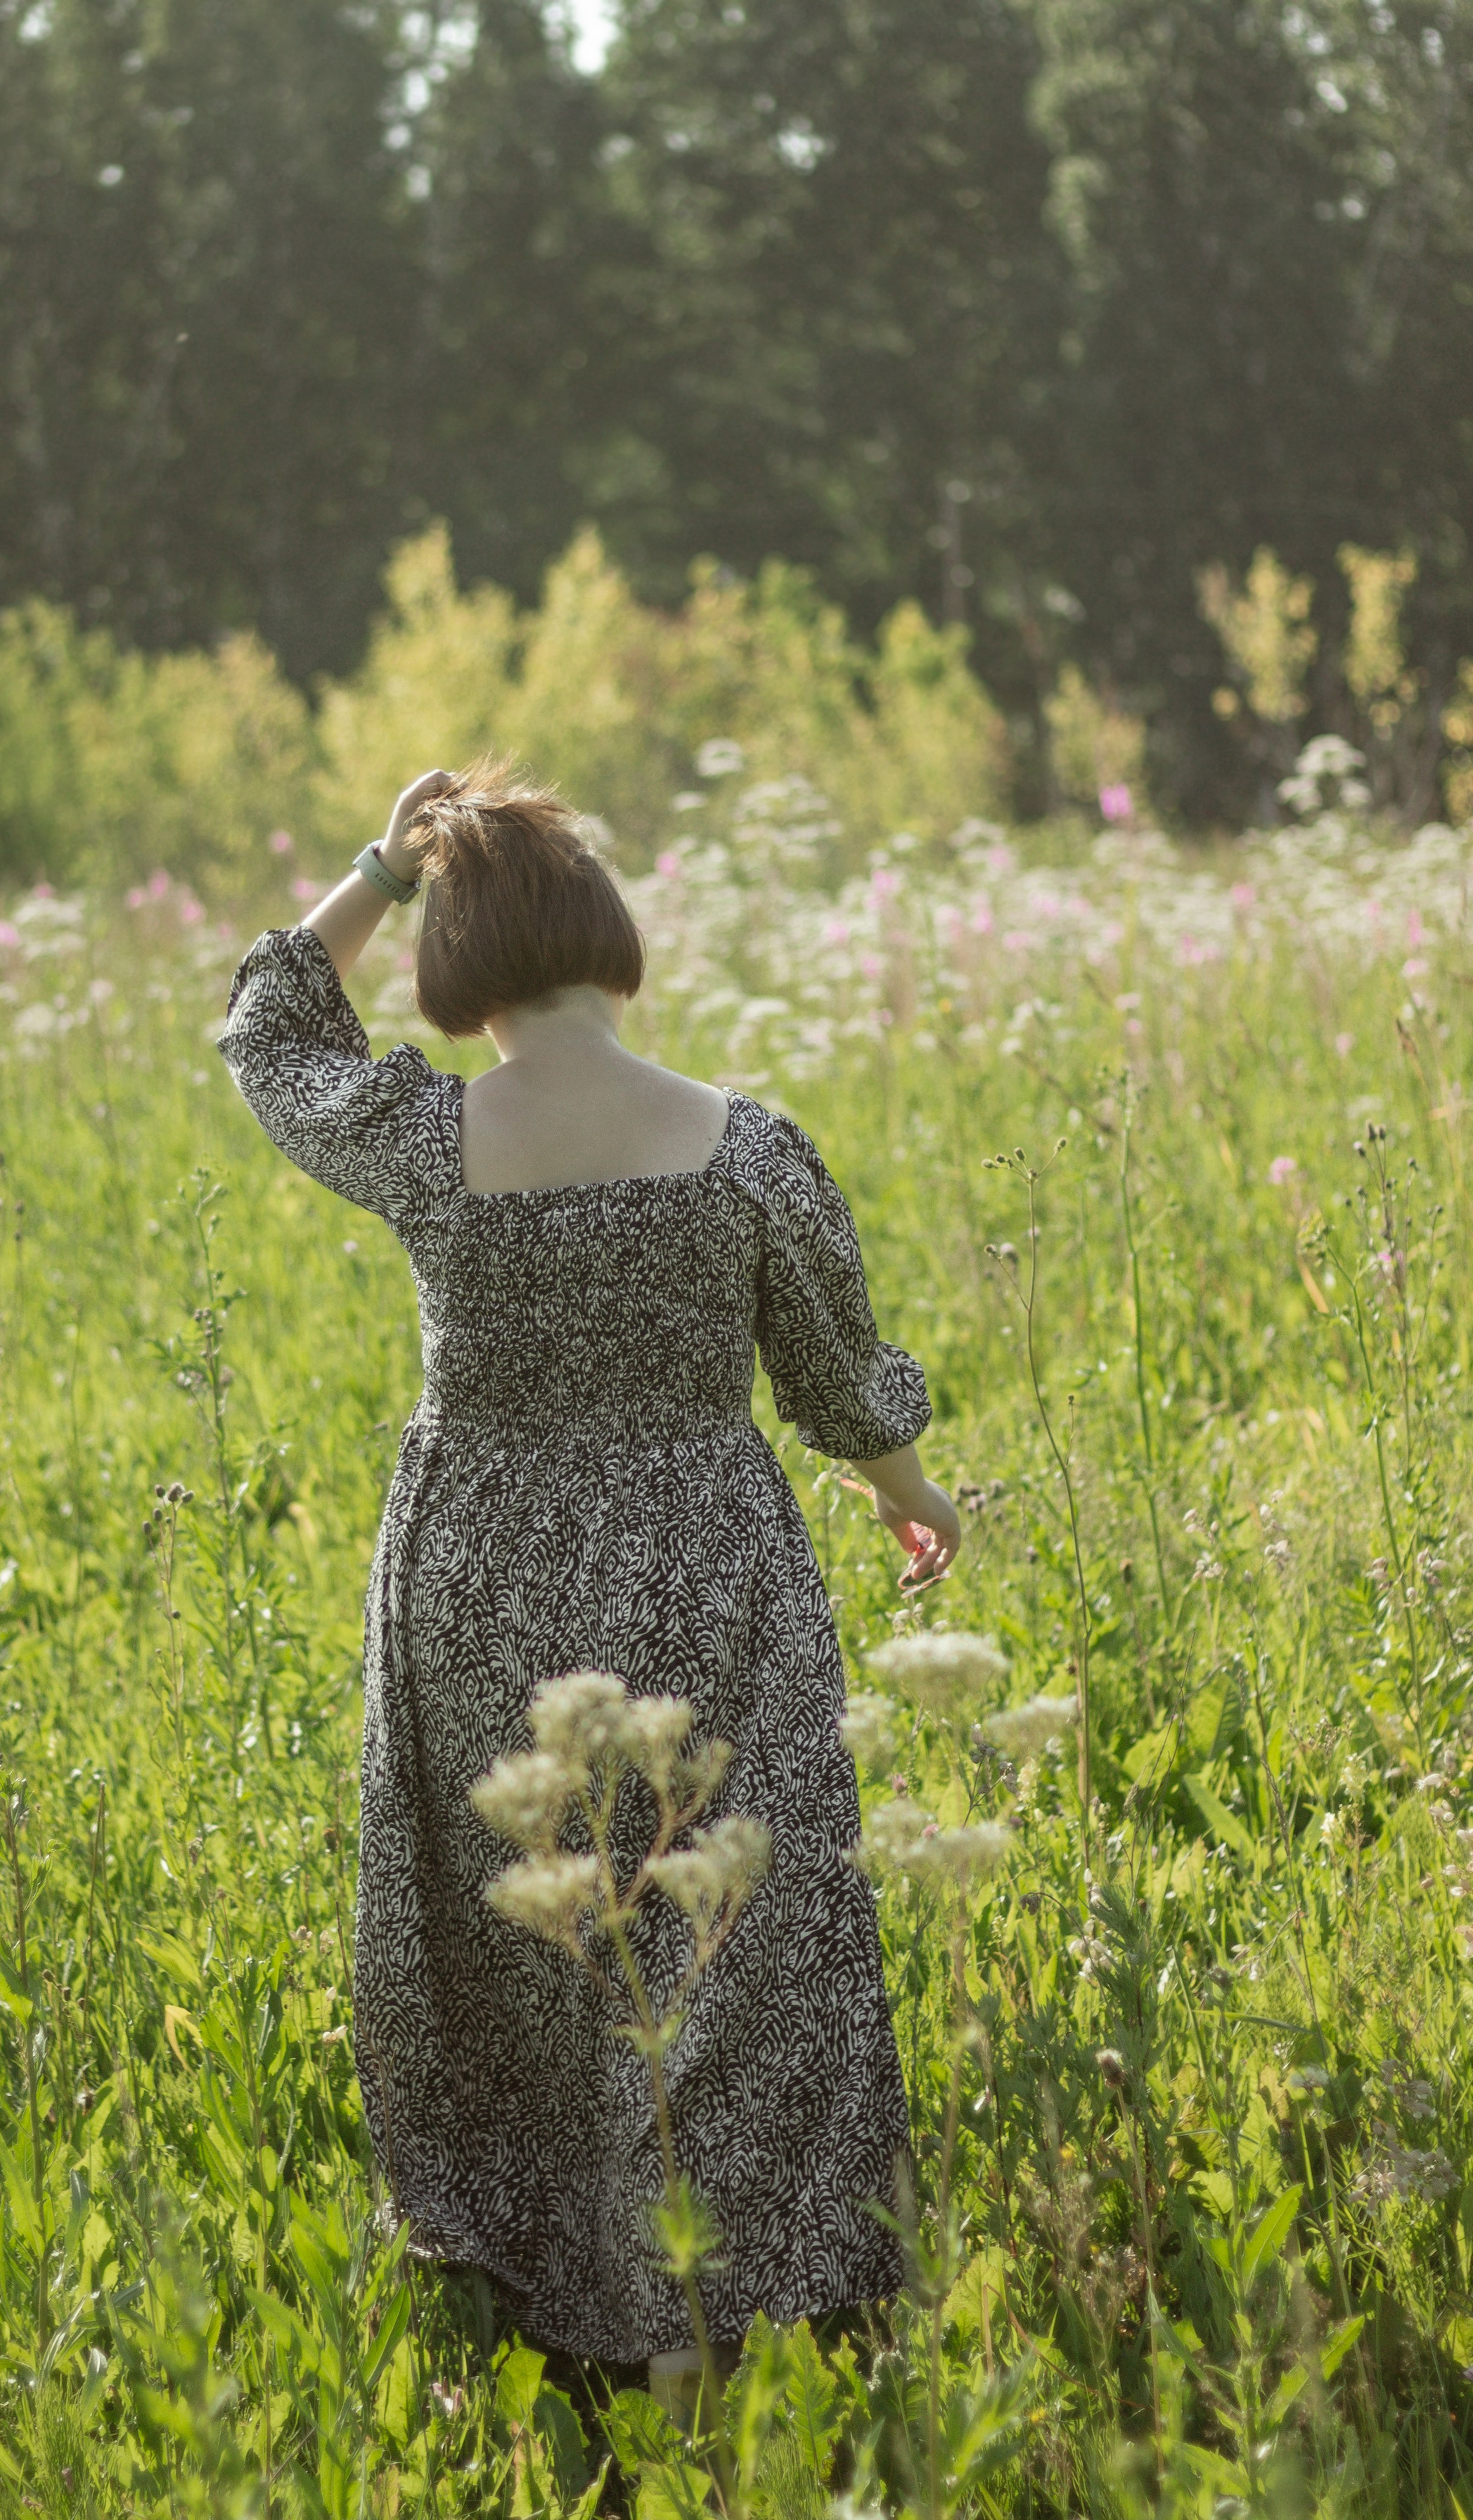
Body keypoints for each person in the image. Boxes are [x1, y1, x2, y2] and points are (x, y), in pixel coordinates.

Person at [217, 761, 960, 2408]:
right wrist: (918, 1505)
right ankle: (722, 2303)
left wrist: (374, 868)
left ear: (455, 969)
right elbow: (837, 1386)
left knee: (528, 1940)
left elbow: (262, 1031)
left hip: (478, 1585)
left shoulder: (421, 1134)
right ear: (609, 946)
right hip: (712, 1573)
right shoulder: (748, 1149)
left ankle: (562, 2295)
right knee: (734, 1934)